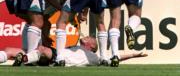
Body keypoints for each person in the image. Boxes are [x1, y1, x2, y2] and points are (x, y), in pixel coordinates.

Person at [55, 0, 108, 66]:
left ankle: (59, 57)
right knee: (100, 23)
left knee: (62, 22)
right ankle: (104, 57)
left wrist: (79, 12)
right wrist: (83, 12)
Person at [0, 36, 148, 66]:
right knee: (9, 50)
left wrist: (133, 55)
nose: (87, 36)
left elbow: (112, 59)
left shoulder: (92, 57)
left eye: (90, 38)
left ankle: (24, 59)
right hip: (54, 56)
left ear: (90, 46)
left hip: (58, 58)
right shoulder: (75, 47)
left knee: (42, 49)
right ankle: (22, 58)